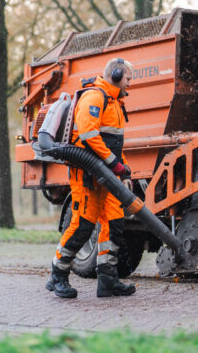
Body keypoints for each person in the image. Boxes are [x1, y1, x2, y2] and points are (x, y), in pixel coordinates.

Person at [46, 57, 136, 298]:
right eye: (127, 78)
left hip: (107, 176)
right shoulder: (95, 97)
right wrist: (113, 164)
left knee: (114, 224)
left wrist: (123, 168)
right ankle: (58, 275)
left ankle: (108, 280)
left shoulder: (115, 102)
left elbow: (113, 143)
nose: (129, 83)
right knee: (83, 225)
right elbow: (88, 135)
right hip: (87, 174)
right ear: (115, 75)